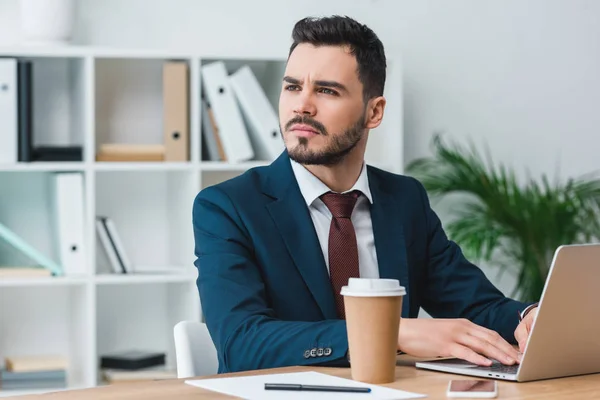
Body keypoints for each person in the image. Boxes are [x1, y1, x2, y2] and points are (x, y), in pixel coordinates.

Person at [192, 15, 538, 374]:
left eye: (326, 90)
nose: (302, 106)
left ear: (374, 111)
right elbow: (241, 344)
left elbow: (476, 306)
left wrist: (529, 316)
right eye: (293, 87)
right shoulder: (227, 207)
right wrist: (393, 333)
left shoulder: (405, 200)